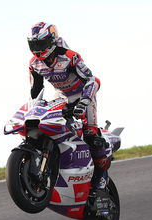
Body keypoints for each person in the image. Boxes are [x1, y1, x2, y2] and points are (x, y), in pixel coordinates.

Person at [27, 22, 110, 190]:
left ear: (51, 41)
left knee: (90, 134)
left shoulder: (70, 56)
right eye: (33, 44)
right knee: (49, 126)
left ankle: (101, 176)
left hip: (83, 95)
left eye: (40, 44)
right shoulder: (34, 63)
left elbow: (93, 80)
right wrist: (34, 107)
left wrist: (85, 100)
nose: (37, 49)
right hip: (61, 96)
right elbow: (36, 89)